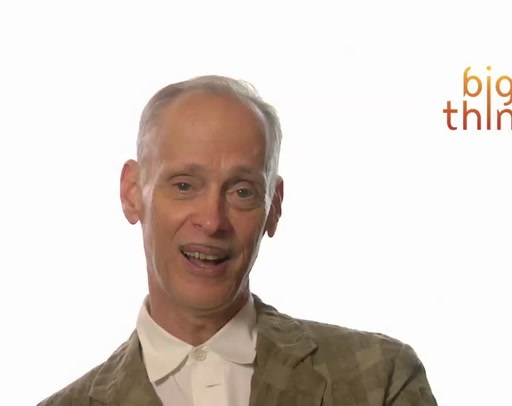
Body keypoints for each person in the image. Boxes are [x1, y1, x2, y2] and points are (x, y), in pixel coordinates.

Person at [39, 75, 437, 405]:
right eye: (184, 185)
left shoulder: (379, 379)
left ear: (273, 207)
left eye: (242, 191)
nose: (212, 221)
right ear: (131, 193)